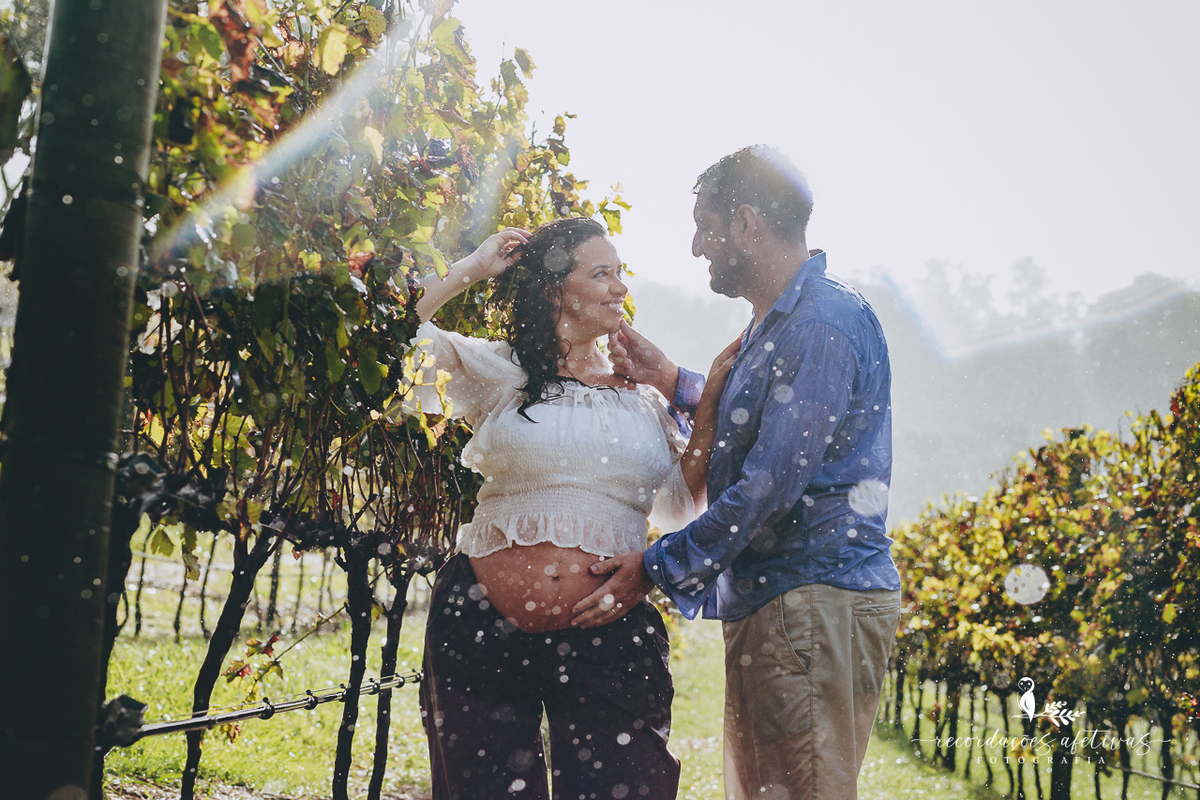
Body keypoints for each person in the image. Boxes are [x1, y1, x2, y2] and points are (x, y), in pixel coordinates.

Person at [571, 146, 903, 800]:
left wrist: (654, 566)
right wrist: (674, 381)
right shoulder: (781, 323)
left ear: (748, 224)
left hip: (810, 599)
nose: (697, 246)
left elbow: (769, 485)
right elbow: (760, 422)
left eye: (706, 226)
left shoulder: (820, 325)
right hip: (785, 601)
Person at [408, 217, 737, 800]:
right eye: (602, 273)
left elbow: (679, 506)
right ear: (554, 289)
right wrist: (473, 269)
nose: (620, 288)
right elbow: (395, 338)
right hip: (480, 627)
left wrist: (705, 406)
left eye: (620, 273)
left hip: (610, 632)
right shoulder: (500, 369)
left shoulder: (643, 397)